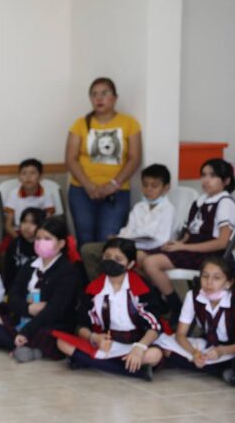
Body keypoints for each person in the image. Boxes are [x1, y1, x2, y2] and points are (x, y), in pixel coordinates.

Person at [140, 159, 235, 325]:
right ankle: (158, 301)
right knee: (139, 256)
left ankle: (175, 305)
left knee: (151, 262)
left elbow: (222, 243)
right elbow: (188, 233)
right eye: (203, 175)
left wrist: (183, 246)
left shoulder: (225, 202)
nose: (206, 180)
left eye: (212, 176)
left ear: (226, 181)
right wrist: (175, 244)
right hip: (190, 248)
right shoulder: (200, 201)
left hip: (210, 254)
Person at [56, 238, 163, 381]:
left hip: (136, 343)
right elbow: (82, 324)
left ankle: (91, 362)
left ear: (130, 264)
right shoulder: (93, 288)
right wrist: (94, 338)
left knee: (154, 355)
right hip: (107, 343)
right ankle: (133, 370)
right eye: (107, 257)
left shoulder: (142, 287)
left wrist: (140, 347)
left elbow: (154, 326)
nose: (111, 261)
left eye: (118, 259)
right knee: (62, 343)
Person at [0, 217, 83, 362]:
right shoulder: (29, 265)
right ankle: (18, 347)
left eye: (47, 239)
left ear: (61, 243)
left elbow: (55, 309)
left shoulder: (68, 270)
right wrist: (28, 309)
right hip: (24, 316)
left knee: (50, 336)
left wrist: (27, 331)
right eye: (38, 238)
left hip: (50, 322)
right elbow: (13, 296)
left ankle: (8, 343)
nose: (41, 242)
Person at [65, 77, 142, 247]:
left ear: (115, 98)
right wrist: (88, 185)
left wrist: (113, 184)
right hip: (82, 191)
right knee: (85, 240)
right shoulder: (80, 124)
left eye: (104, 93)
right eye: (94, 94)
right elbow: (70, 159)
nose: (99, 98)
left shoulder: (129, 123)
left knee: (109, 239)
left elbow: (135, 158)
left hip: (117, 192)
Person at [80, 164, 175, 280]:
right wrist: (118, 237)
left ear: (166, 188)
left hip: (149, 251)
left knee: (132, 256)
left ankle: (135, 286)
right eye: (145, 185)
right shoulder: (139, 207)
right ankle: (102, 285)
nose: (148, 189)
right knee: (87, 250)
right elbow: (128, 230)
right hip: (128, 246)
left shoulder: (168, 209)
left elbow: (161, 240)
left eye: (154, 186)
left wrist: (132, 243)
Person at [154, 256, 235, 384]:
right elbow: (180, 334)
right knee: (164, 344)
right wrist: (194, 353)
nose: (209, 282)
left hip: (230, 348)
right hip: (209, 345)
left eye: (217, 278)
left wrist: (222, 351)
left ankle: (220, 369)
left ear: (228, 283)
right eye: (205, 276)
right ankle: (222, 370)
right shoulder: (193, 296)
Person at [0, 159, 55, 251]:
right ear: (19, 177)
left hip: (39, 232)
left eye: (33, 173)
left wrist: (38, 237)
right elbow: (8, 225)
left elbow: (48, 221)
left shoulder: (46, 194)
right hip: (19, 231)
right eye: (24, 173)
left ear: (40, 177)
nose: (28, 177)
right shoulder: (13, 194)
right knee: (4, 250)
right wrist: (19, 239)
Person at [2, 207, 46, 288]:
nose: (27, 227)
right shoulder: (14, 245)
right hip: (18, 289)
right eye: (24, 222)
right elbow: (9, 275)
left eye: (33, 223)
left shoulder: (46, 246)